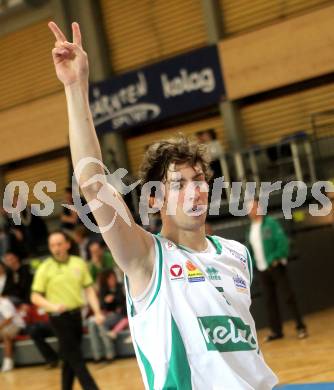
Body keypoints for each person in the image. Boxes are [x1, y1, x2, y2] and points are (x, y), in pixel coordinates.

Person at [48, 21, 278, 389]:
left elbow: (245, 357)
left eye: (199, 180)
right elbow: (93, 184)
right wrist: (75, 88)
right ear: (154, 198)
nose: (194, 191)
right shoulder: (145, 258)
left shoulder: (237, 254)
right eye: (178, 184)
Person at [31, 231, 104, 390]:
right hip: (58, 318)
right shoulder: (45, 268)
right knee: (77, 360)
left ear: (67, 245)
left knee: (69, 360)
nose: (56, 248)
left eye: (59, 244)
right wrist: (52, 306)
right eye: (52, 245)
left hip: (76, 317)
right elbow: (35, 297)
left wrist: (97, 312)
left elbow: (89, 290)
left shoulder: (78, 263)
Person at [246, 198, 308, 341]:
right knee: (269, 301)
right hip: (261, 269)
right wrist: (254, 263)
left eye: (253, 207)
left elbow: (282, 243)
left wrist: (275, 258)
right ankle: (276, 331)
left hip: (275, 266)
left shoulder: (271, 224)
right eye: (248, 209)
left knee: (288, 297)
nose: (250, 211)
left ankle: (301, 327)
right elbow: (250, 249)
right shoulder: (250, 229)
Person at [87, 269, 126, 362]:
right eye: (110, 279)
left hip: (118, 315)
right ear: (106, 280)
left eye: (113, 278)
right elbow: (101, 305)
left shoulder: (120, 287)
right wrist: (105, 301)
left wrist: (114, 299)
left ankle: (110, 354)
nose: (113, 280)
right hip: (106, 314)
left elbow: (123, 303)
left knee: (101, 323)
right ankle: (97, 354)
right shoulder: (103, 290)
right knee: (91, 323)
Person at [0, 294, 25, 372]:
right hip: (4, 326)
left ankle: (8, 362)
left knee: (5, 334)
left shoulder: (4, 303)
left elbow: (9, 319)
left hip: (16, 325)